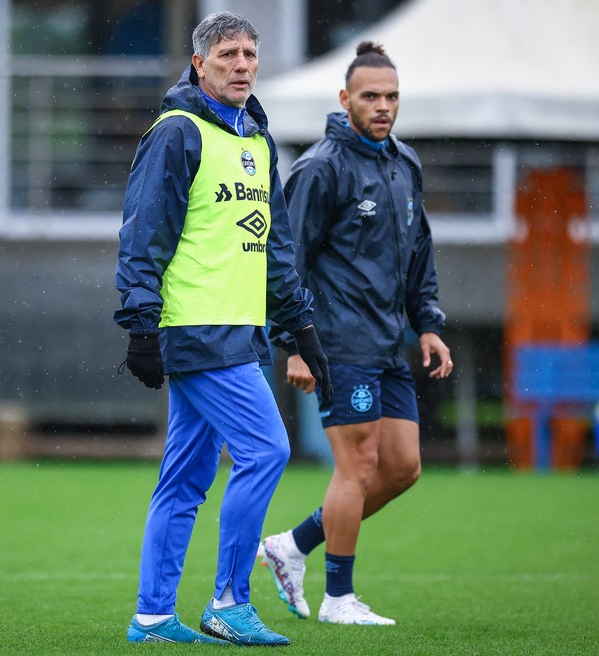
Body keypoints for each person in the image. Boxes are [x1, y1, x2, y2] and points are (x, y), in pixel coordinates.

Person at [115, 11, 333, 646]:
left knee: (184, 479)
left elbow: (275, 249)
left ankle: (153, 616)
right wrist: (141, 325)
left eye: (249, 54)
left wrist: (301, 328)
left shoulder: (257, 140)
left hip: (239, 332)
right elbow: (143, 234)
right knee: (267, 450)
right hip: (197, 330)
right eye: (227, 55)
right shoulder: (177, 133)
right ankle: (229, 602)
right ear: (198, 64)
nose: (241, 65)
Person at [259, 41, 452, 626]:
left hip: (388, 343)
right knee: (359, 465)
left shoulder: (405, 162)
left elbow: (418, 250)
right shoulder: (320, 167)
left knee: (403, 468)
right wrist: (293, 345)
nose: (383, 106)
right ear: (345, 100)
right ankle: (338, 599)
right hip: (336, 342)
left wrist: (427, 324)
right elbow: (285, 259)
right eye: (371, 96)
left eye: (392, 96)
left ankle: (291, 545)